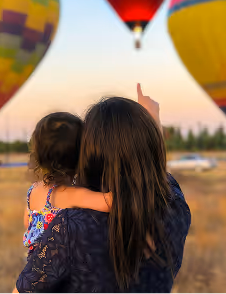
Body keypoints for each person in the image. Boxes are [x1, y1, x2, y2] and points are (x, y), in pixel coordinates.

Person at [14, 85, 191, 294]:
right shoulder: (174, 205)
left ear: (90, 154)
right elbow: (154, 173)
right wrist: (149, 122)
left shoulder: (71, 227)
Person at [22, 112, 111, 257]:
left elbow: (28, 223)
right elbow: (111, 202)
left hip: (36, 269)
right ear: (82, 153)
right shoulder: (74, 195)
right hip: (62, 275)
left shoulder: (34, 190)